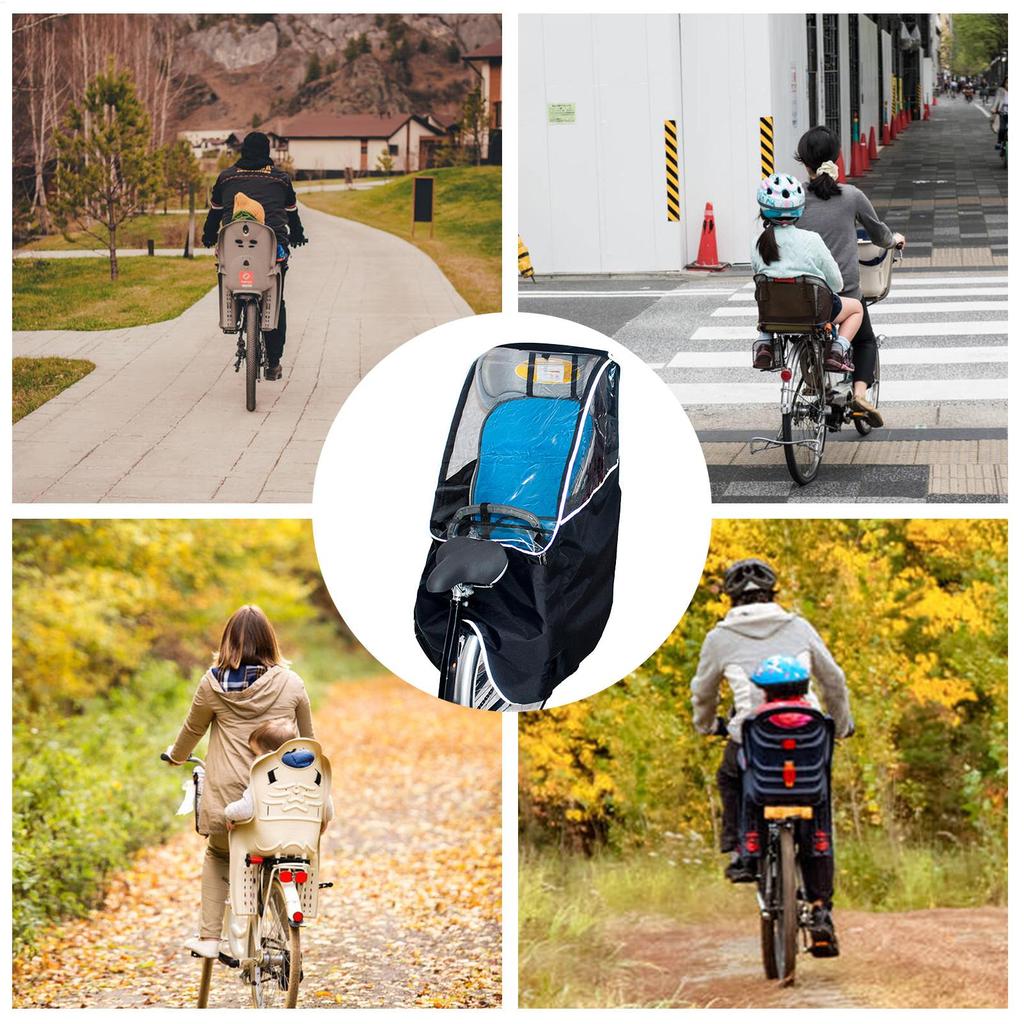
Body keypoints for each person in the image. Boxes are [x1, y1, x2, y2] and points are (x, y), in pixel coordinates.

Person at [689, 558, 853, 952]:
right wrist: (842, 724)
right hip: (809, 733)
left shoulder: (719, 637)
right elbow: (835, 680)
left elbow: (703, 692)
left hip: (752, 735)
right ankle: (820, 909)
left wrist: (706, 724)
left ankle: (743, 848)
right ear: (773, 594)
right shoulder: (798, 627)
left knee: (731, 776)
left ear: (730, 598)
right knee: (818, 809)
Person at [165, 604, 315, 958]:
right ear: (270, 641)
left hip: (231, 804)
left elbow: (192, 731)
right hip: (284, 800)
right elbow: (310, 742)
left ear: (228, 641)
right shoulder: (291, 683)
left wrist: (175, 756)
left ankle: (209, 939)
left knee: (218, 855)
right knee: (280, 849)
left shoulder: (211, 684)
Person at [795, 126, 905, 428]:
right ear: (837, 158)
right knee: (865, 340)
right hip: (844, 290)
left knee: (803, 330)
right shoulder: (851, 196)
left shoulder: (794, 198)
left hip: (802, 291)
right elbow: (880, 235)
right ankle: (859, 395)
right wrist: (894, 239)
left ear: (804, 162)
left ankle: (815, 381)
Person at [741, 654, 846, 956]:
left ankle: (750, 847)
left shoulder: (754, 722)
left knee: (744, 781)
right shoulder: (820, 722)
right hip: (810, 797)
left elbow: (747, 761)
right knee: (819, 835)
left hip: (764, 798)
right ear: (803, 688)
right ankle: (820, 909)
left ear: (764, 690)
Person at [201, 131, 308, 381]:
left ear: (243, 151)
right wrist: (298, 234)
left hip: (232, 248)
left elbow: (215, 214)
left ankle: (235, 313)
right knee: (276, 299)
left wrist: (208, 236)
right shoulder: (281, 179)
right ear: (267, 151)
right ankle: (274, 362)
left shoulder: (226, 177)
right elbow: (292, 215)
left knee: (229, 273)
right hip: (271, 249)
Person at [750, 171, 863, 373]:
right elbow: (837, 284)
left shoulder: (757, 243)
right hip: (814, 313)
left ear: (764, 210)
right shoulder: (811, 239)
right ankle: (837, 351)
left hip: (774, 315)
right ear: (799, 209)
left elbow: (759, 281)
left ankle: (765, 342)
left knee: (767, 298)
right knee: (856, 308)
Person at [223, 719, 334, 832]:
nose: (255, 759)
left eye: (256, 754)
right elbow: (327, 806)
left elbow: (246, 808)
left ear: (269, 755)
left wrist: (229, 814)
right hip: (304, 835)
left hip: (268, 837)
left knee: (240, 833)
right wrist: (325, 819)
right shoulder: (312, 771)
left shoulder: (263, 775)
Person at [990, 77, 1008, 150]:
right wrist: (994, 108)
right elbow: (997, 100)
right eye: (1007, 82)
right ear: (1004, 83)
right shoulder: (1001, 90)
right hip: (1003, 112)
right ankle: (999, 142)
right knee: (1002, 129)